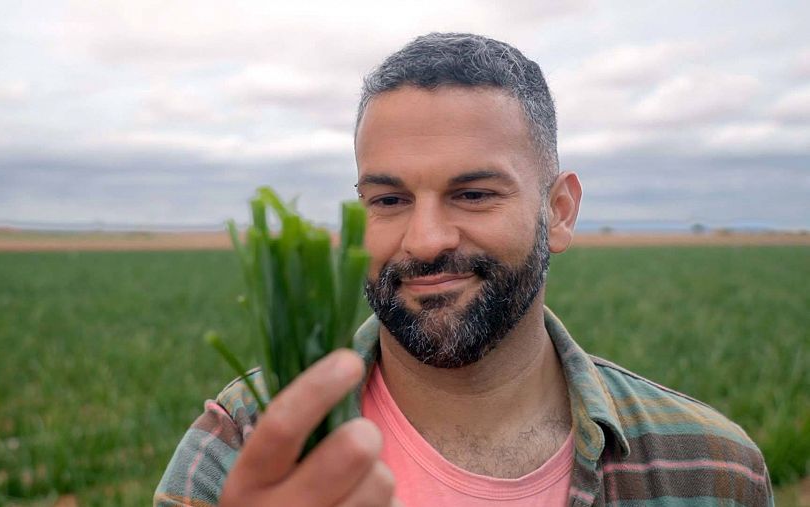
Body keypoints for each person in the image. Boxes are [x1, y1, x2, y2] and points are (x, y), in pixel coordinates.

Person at [155, 33, 773, 506]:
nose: (424, 242)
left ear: (558, 212)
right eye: (389, 200)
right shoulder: (241, 447)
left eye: (474, 194)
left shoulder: (711, 467)